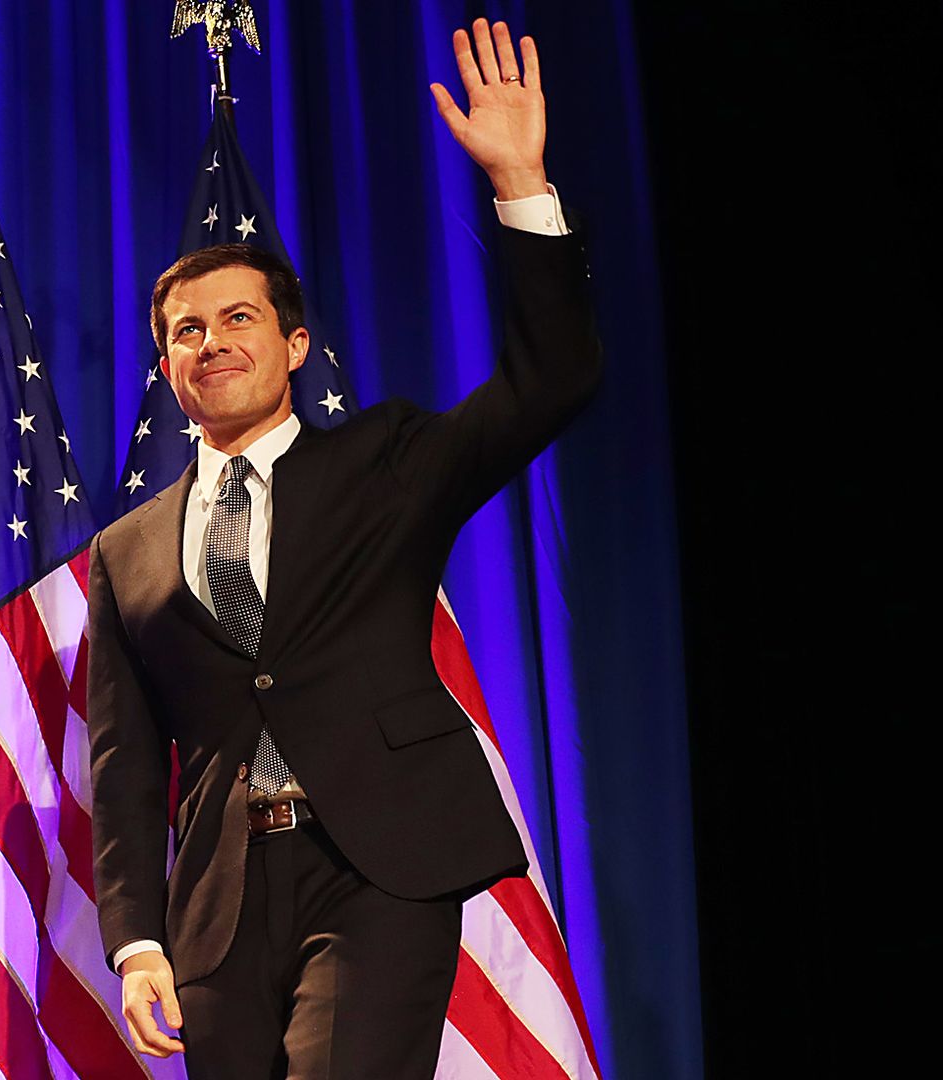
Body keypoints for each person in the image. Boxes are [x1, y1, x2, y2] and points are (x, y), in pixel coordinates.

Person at [84, 17, 600, 1078]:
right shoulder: (127, 549)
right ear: (167, 365)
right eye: (188, 331)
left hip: (377, 863)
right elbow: (125, 762)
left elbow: (549, 384)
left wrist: (522, 188)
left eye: (239, 319)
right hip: (220, 907)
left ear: (295, 344)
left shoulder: (387, 457)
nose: (214, 342)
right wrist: (136, 938)